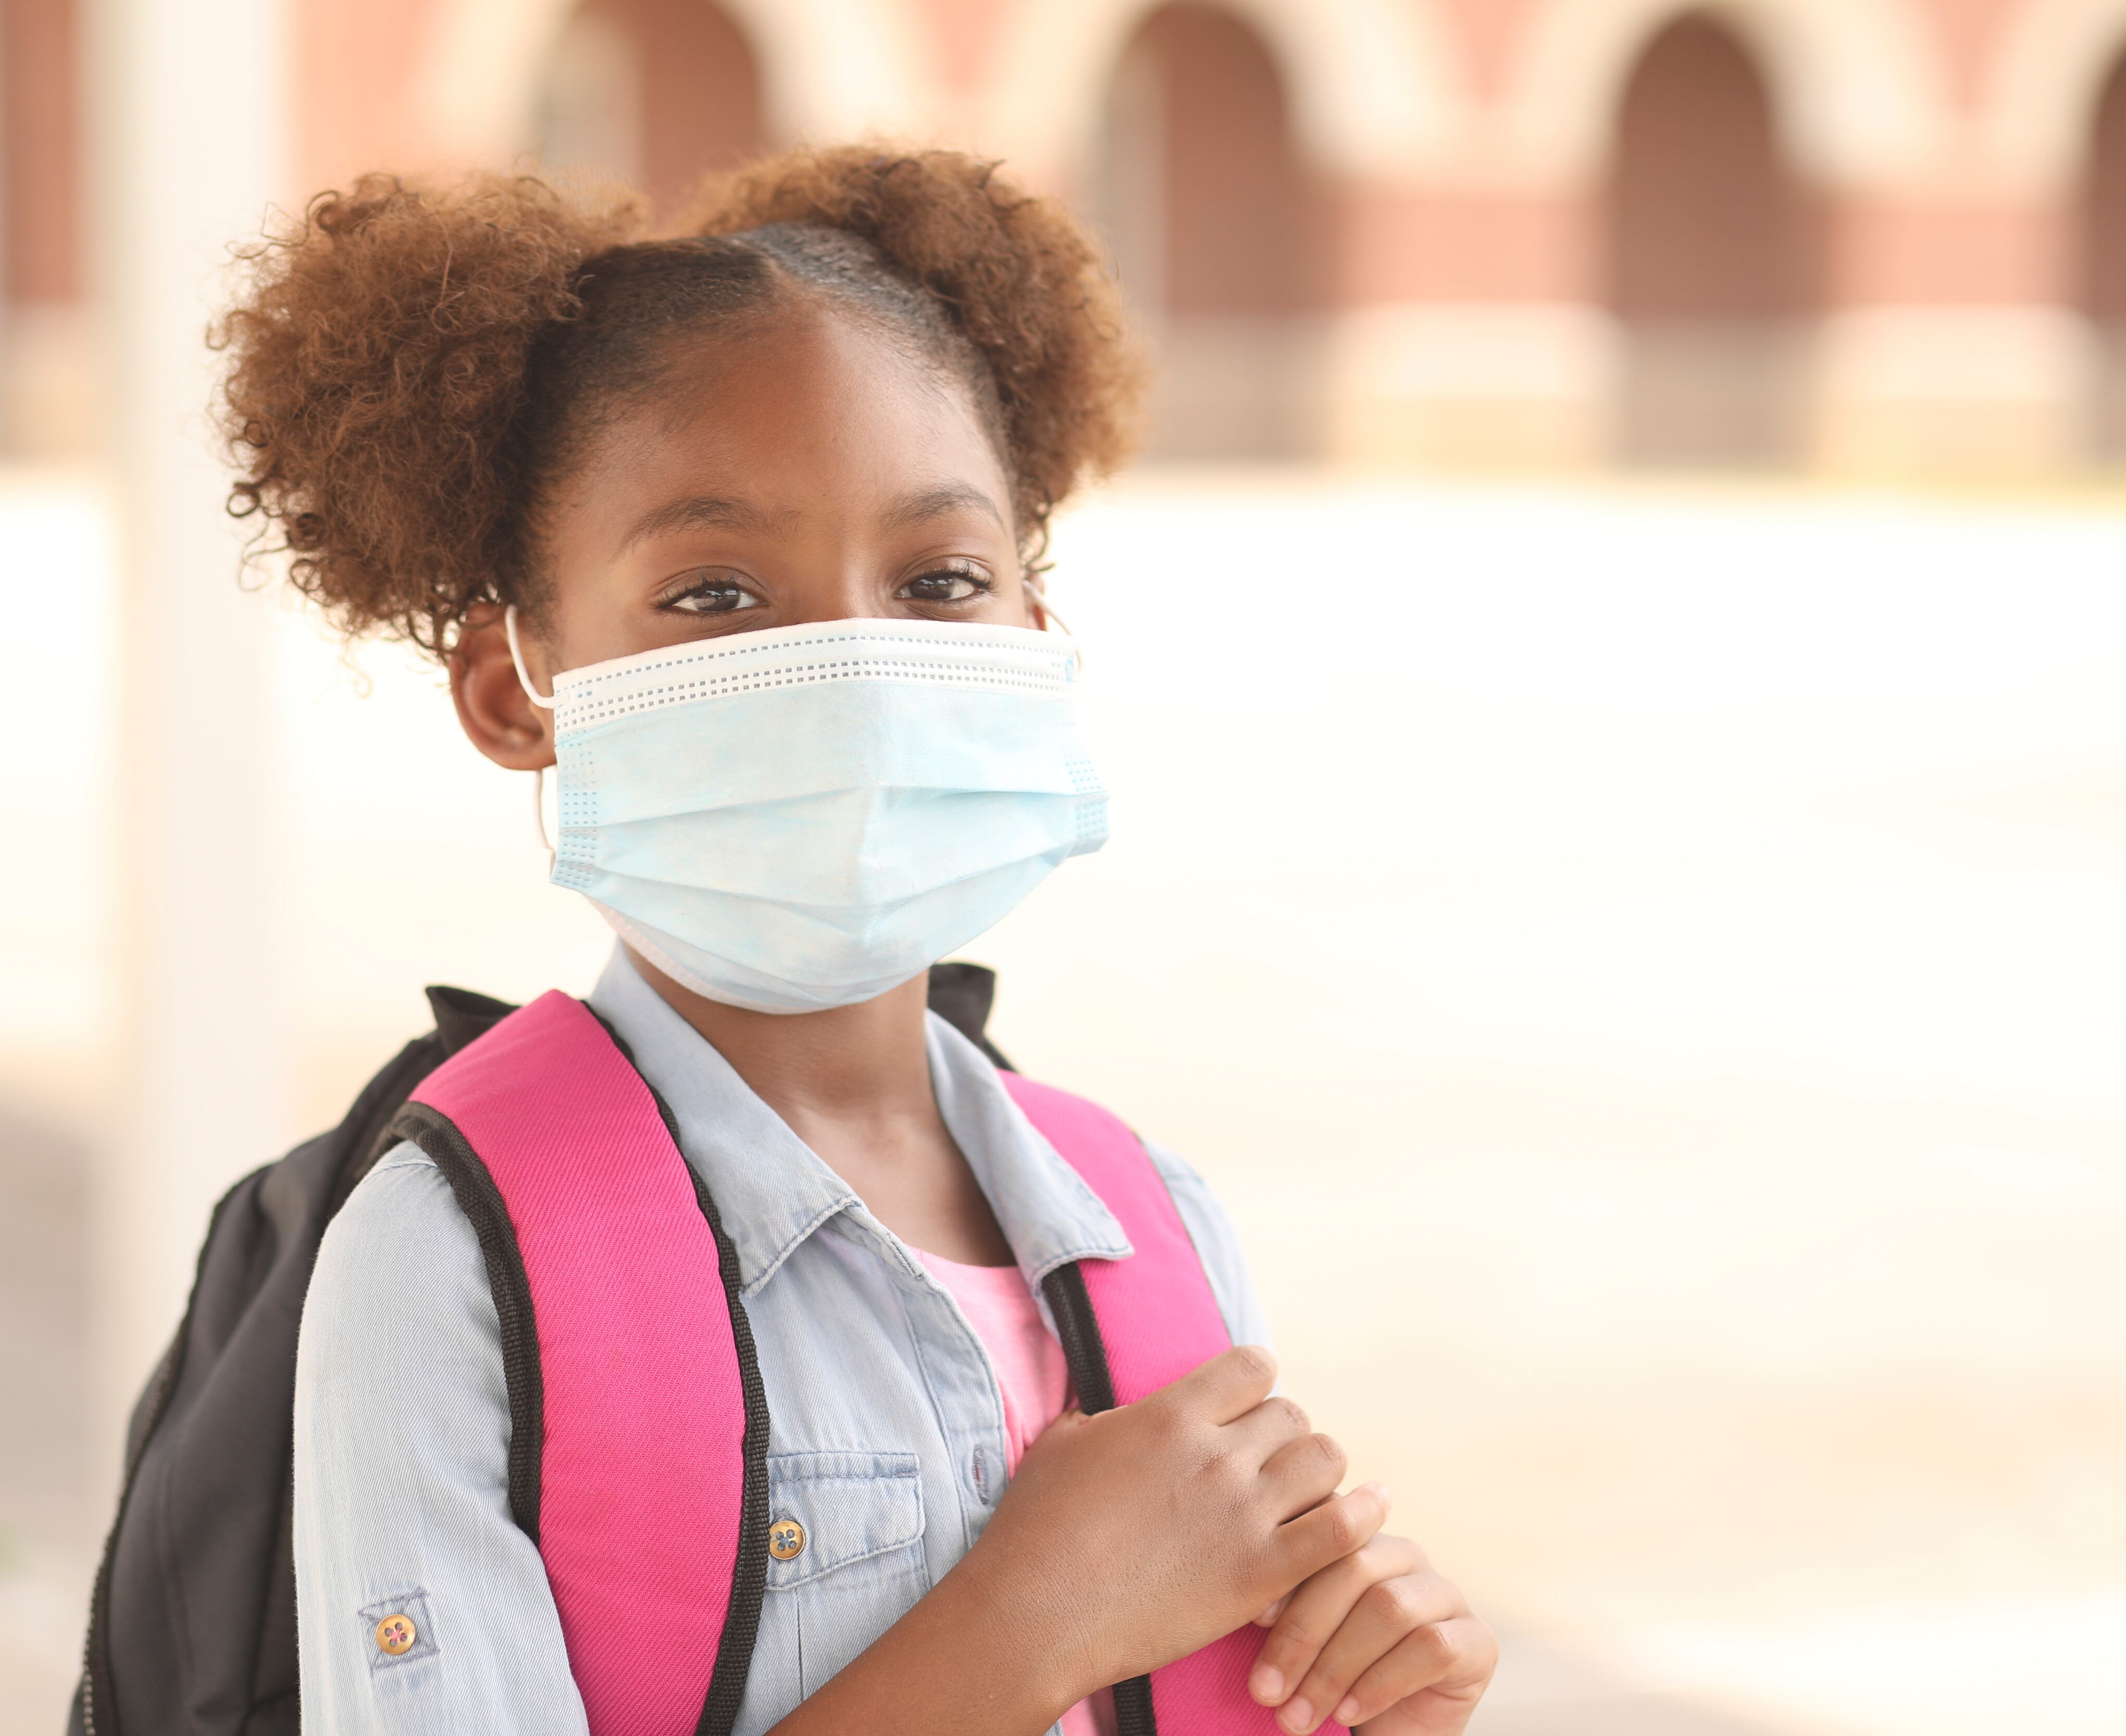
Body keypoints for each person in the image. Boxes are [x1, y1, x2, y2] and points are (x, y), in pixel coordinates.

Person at [221, 146, 1497, 1735]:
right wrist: (1031, 1621)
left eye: (939, 579)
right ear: (515, 690)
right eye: (716, 593)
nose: (853, 661)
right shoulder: (450, 1261)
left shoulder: (1153, 1227)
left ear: (1033, 635)